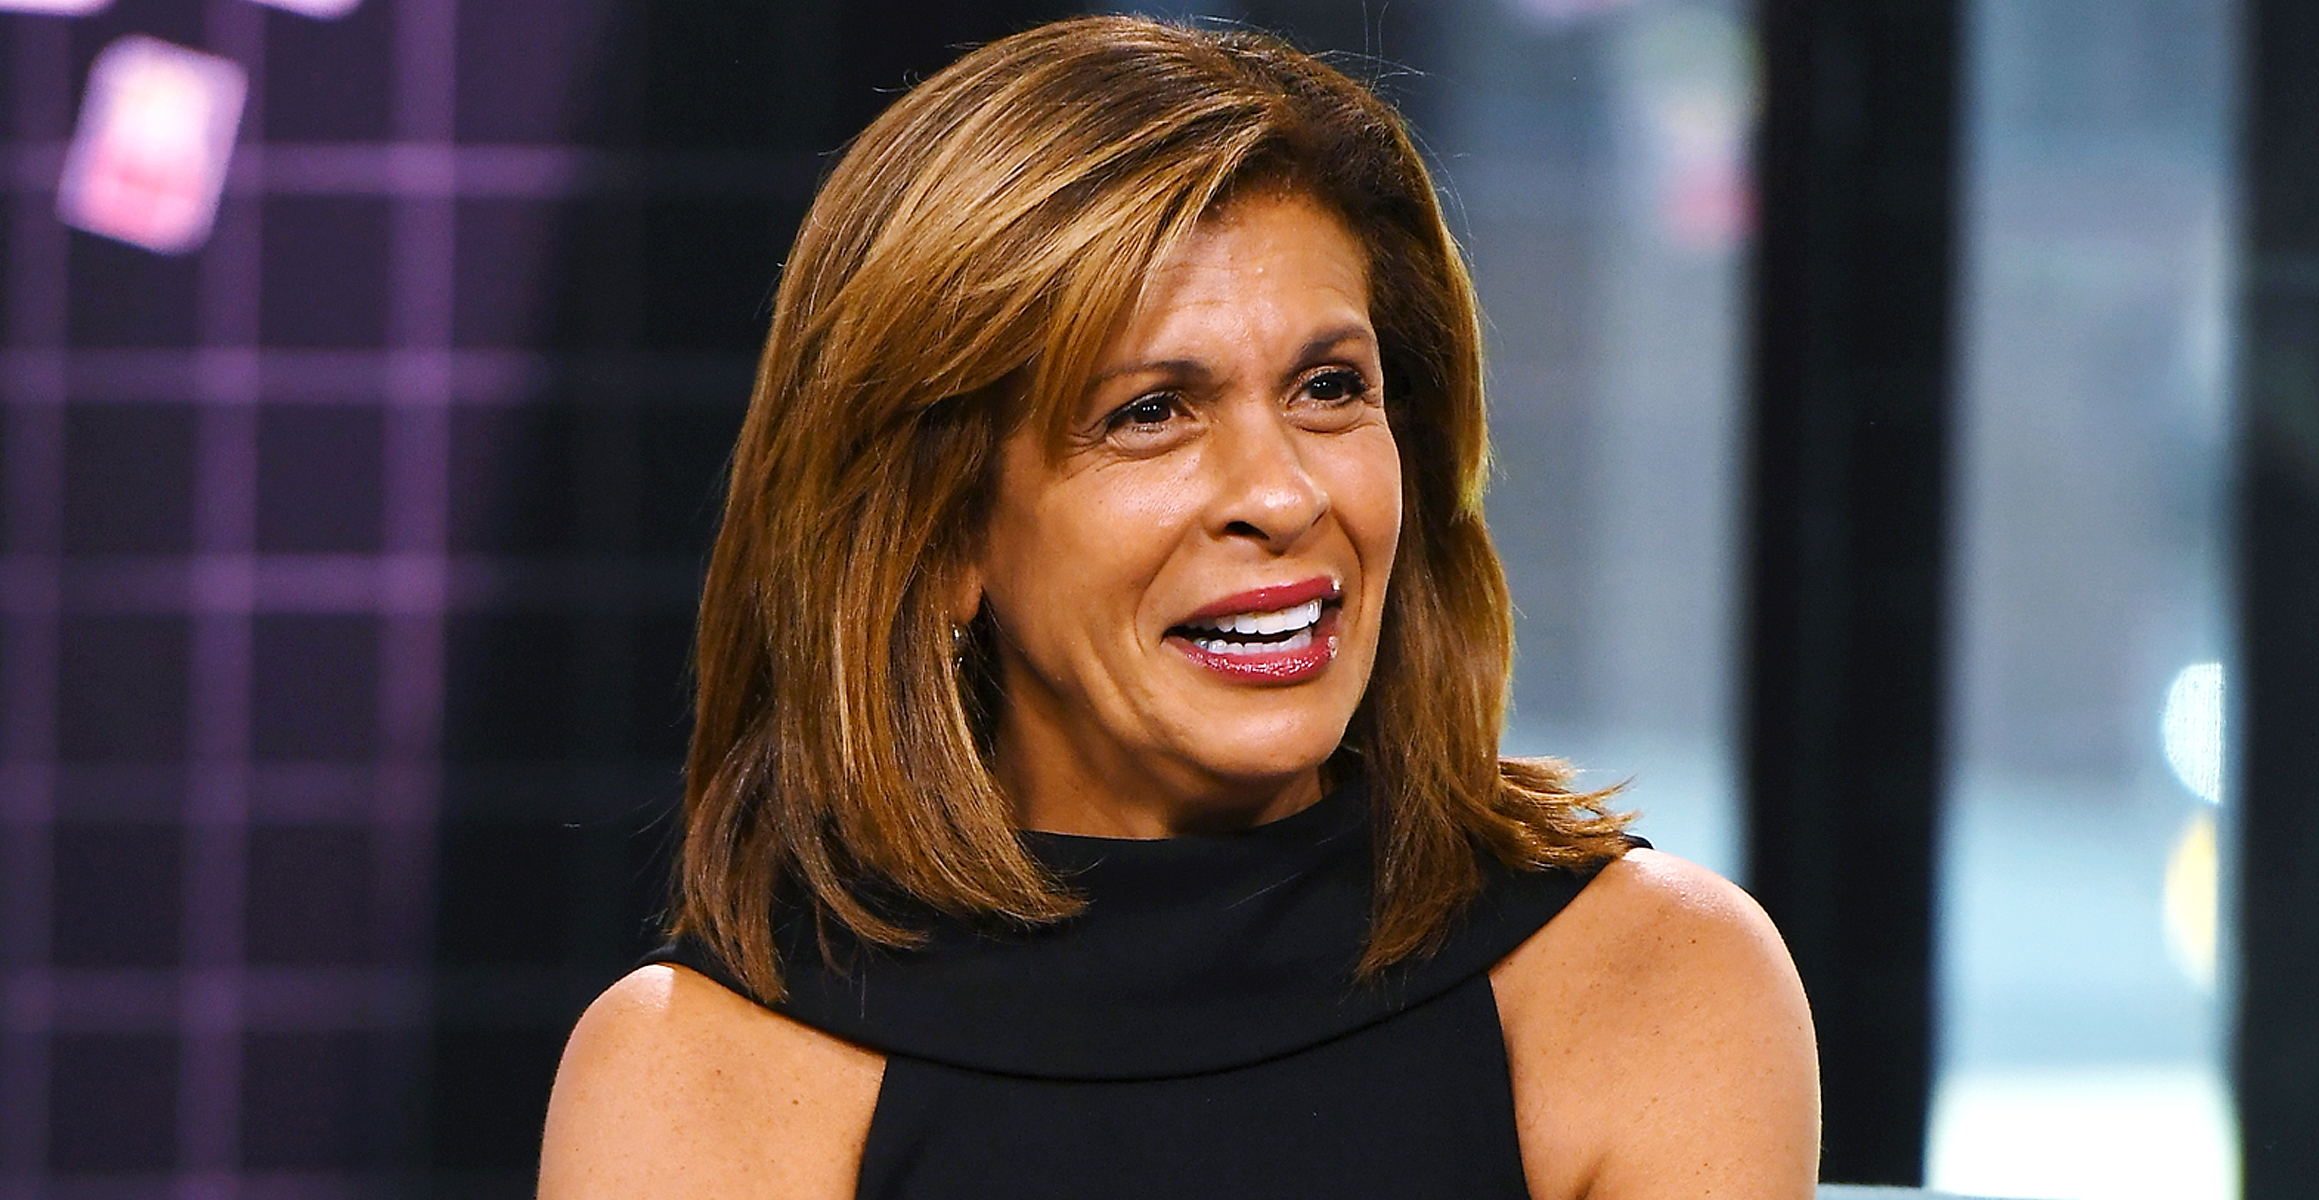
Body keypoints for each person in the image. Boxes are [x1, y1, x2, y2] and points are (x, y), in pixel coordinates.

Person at [538, 14, 1816, 1200]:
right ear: (939, 538)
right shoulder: (698, 1080)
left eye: (1329, 387)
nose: (1283, 493)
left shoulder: (1651, 988)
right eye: (1150, 412)